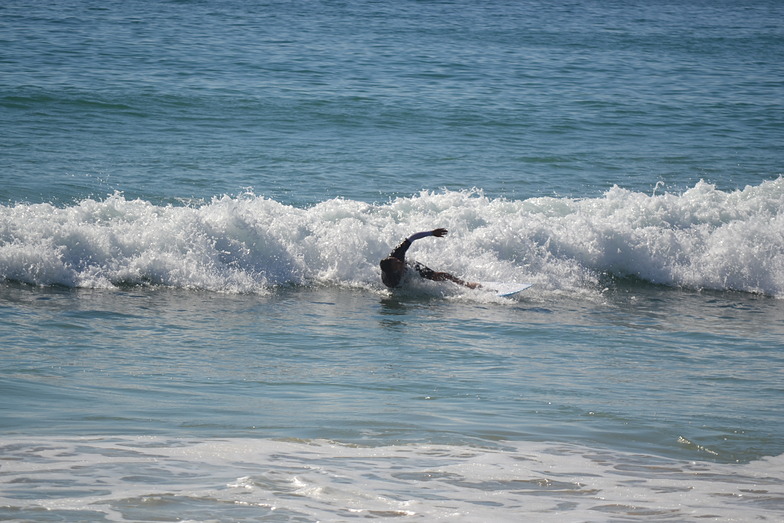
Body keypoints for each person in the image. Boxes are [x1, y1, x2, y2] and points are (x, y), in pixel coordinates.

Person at [380, 228, 479, 289]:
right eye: (396, 264)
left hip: (410, 268)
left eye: (396, 260)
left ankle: (466, 284)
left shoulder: (397, 253)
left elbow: (412, 237)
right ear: (393, 270)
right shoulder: (391, 281)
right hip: (397, 282)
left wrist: (431, 233)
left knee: (436, 275)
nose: (399, 261)